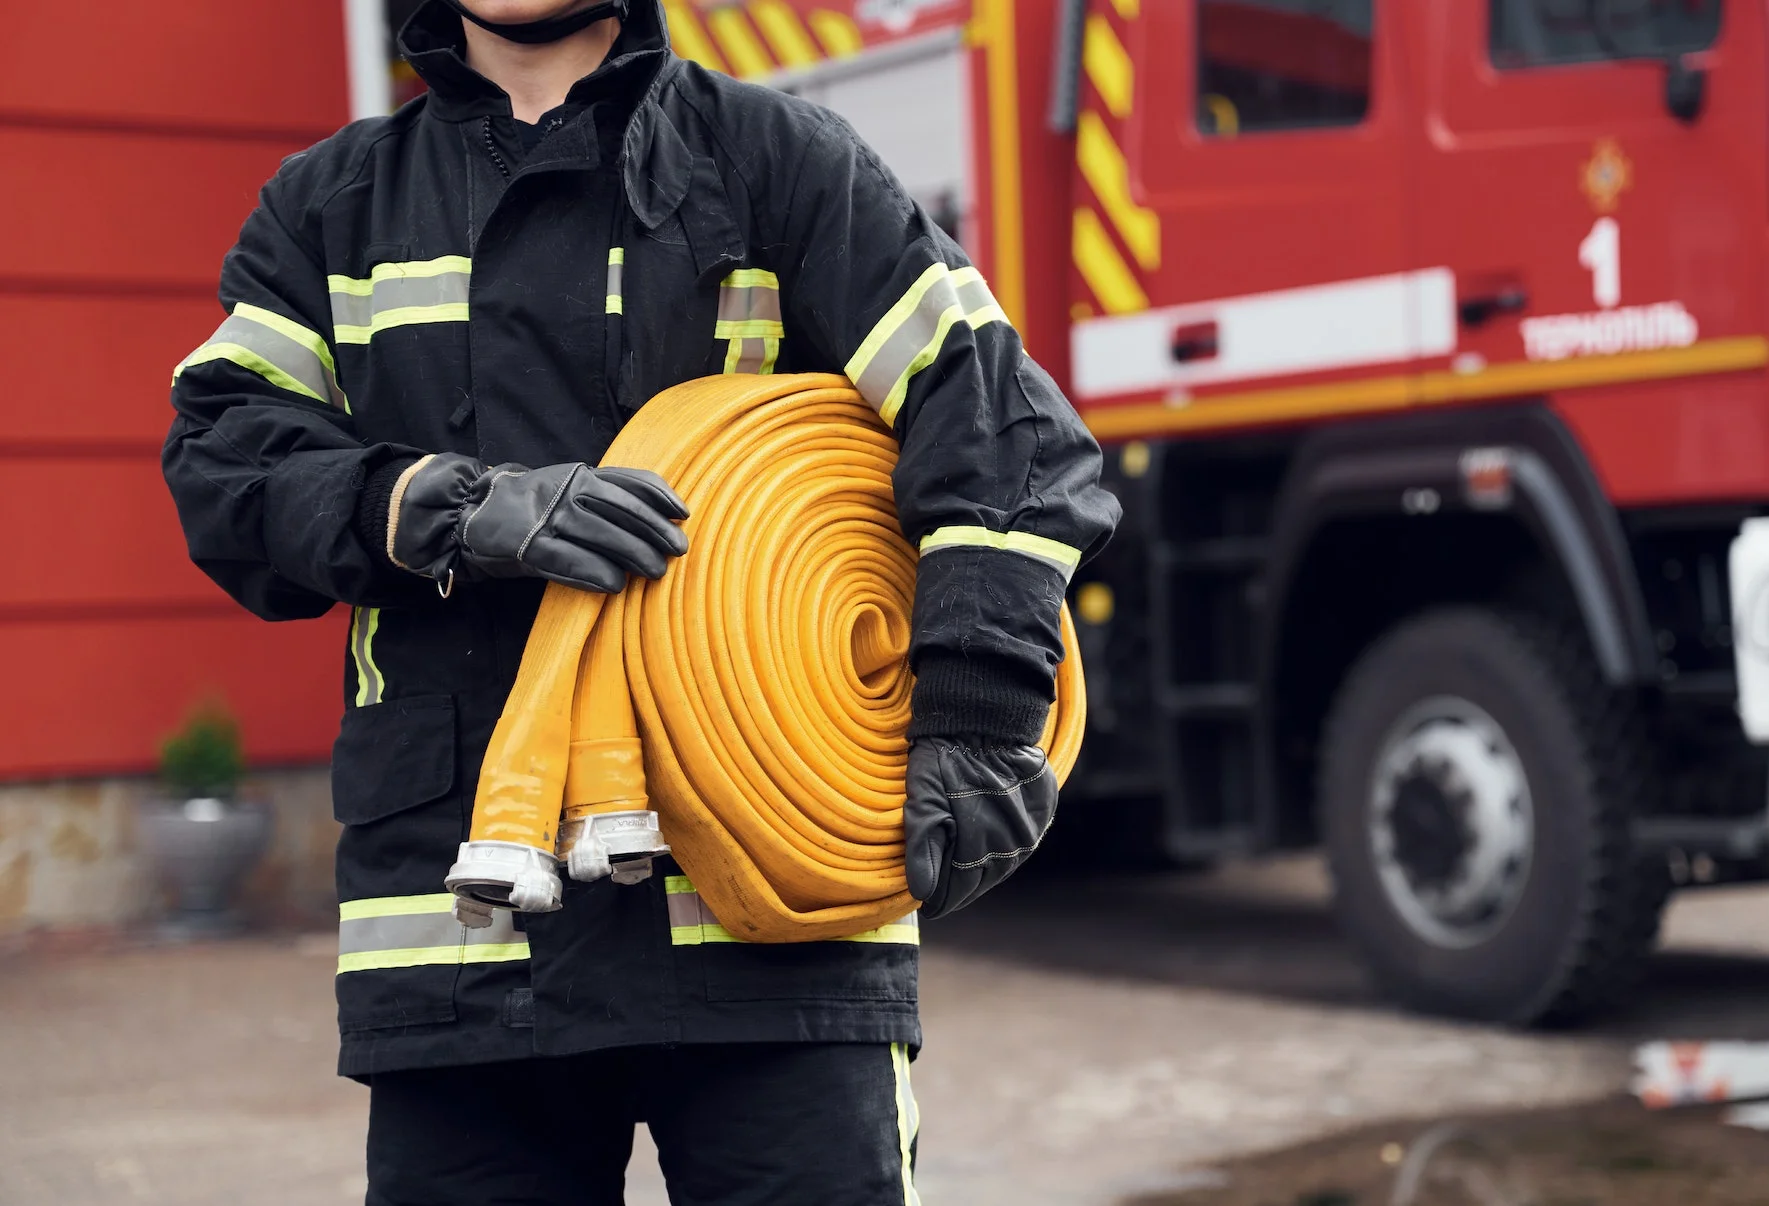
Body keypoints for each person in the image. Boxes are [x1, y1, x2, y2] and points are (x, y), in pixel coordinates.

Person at [159, 1, 1120, 1202]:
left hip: (772, 934)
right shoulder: (332, 207)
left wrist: (978, 705)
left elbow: (1005, 430)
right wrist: (439, 507)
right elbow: (225, 462)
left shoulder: (778, 164)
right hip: (463, 942)